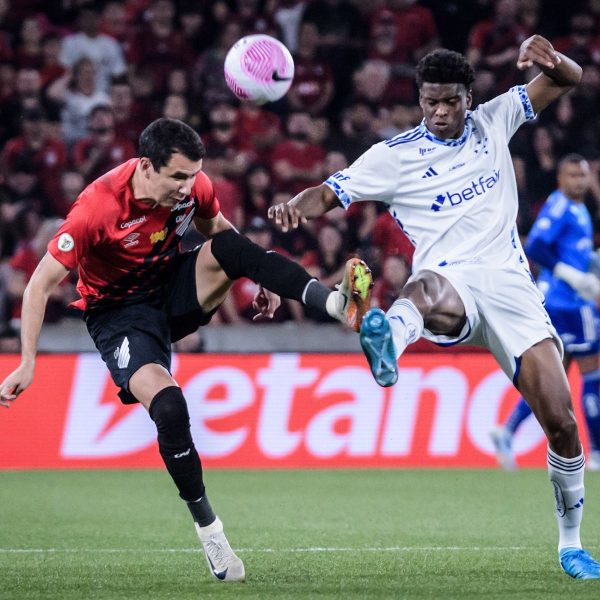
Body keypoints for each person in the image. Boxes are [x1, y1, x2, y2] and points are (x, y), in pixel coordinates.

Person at [269, 35, 600, 579]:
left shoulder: (495, 120)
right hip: (450, 281)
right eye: (430, 102)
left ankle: (570, 545)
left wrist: (551, 57)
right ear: (419, 100)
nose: (440, 112)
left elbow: (569, 78)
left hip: (513, 288)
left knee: (562, 424)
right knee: (423, 287)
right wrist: (293, 208)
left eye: (450, 101)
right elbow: (328, 193)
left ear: (469, 97)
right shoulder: (393, 156)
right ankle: (388, 342)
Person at [0, 118, 373, 584]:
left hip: (173, 289)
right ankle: (211, 532)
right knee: (171, 408)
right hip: (120, 318)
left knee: (232, 248)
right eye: (177, 176)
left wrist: (257, 276)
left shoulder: (194, 186)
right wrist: (28, 361)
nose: (187, 185)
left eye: (192, 175)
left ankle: (335, 304)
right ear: (147, 167)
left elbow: (223, 236)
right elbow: (38, 285)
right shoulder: (97, 209)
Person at [491, 154, 600, 472]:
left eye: (582, 176)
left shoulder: (579, 208)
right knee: (593, 374)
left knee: (555, 381)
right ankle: (595, 452)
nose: (578, 181)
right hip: (569, 304)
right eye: (572, 176)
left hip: (559, 302)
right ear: (560, 179)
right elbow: (537, 246)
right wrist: (573, 276)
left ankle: (507, 431)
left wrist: (589, 264)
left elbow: (570, 250)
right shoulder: (561, 207)